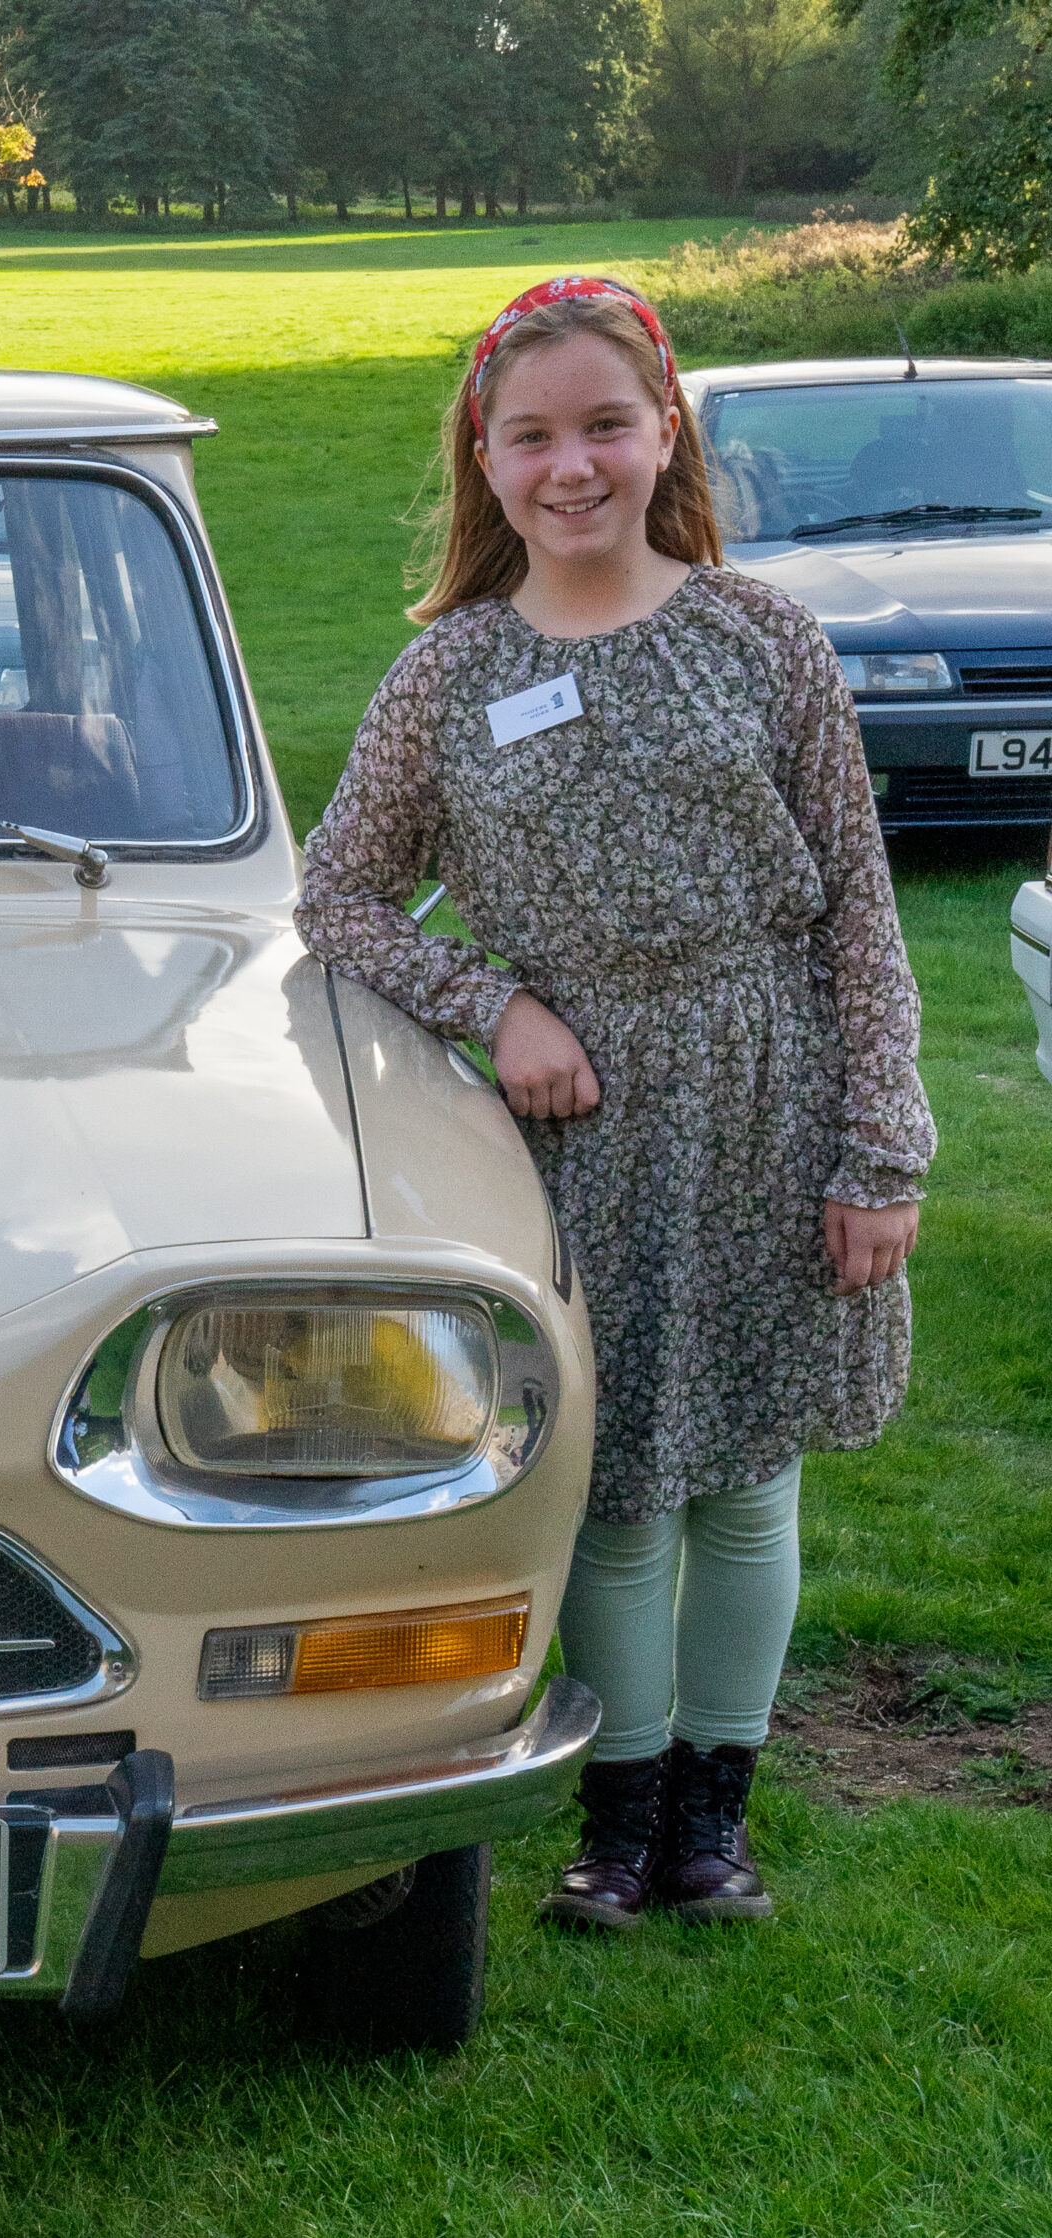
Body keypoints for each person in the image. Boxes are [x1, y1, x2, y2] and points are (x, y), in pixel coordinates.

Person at [296, 276, 934, 1929]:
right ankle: (620, 1810)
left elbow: (861, 912)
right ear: (485, 459)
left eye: (603, 426)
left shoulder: (762, 639)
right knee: (614, 1483)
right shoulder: (450, 676)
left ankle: (715, 1818)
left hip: (772, 1096)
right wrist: (494, 1003)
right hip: (580, 1129)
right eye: (532, 436)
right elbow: (338, 897)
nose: (570, 465)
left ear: (665, 435)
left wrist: (882, 1148)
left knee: (749, 1476)